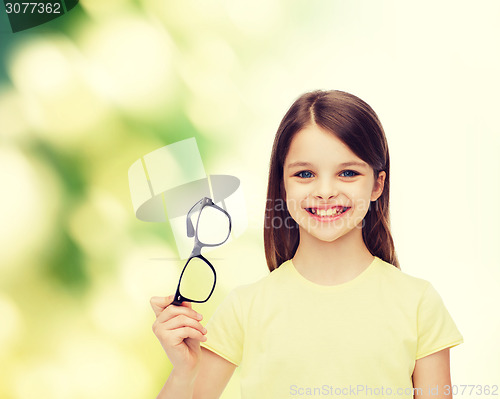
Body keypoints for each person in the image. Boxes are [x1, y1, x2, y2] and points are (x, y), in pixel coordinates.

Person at [150, 90, 464, 399]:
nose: (325, 191)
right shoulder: (244, 308)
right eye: (305, 173)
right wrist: (183, 372)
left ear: (377, 184)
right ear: (282, 183)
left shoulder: (419, 303)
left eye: (348, 172)